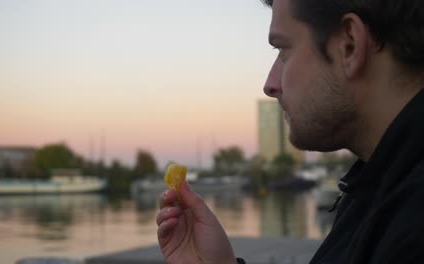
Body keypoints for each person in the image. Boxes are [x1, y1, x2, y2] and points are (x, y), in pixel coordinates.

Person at [156, 0, 424, 262]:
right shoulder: (378, 188)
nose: (270, 84)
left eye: (283, 50)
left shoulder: (410, 225)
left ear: (349, 44)